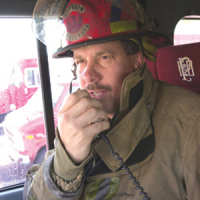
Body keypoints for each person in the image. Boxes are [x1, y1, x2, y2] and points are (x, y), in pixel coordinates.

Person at [24, 0, 200, 199]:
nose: (88, 76)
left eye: (103, 57)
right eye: (81, 61)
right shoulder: (77, 121)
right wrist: (65, 164)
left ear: (137, 60)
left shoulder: (192, 123)